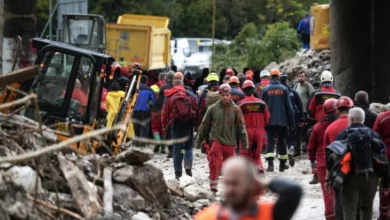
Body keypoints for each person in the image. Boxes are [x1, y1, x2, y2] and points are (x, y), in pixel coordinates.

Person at [194, 157, 303, 220]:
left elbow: (293, 191)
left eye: (236, 184)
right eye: (227, 183)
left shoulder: (269, 214)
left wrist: (264, 182)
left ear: (252, 184)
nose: (230, 189)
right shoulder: (208, 216)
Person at [332, 107, 389, 220]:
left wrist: (330, 180)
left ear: (351, 119)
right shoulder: (374, 135)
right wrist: (386, 182)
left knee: (349, 209)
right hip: (370, 177)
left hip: (349, 177)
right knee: (367, 208)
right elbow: (383, 160)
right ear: (362, 119)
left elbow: (334, 159)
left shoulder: (343, 134)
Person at [195, 84, 248, 193]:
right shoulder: (212, 109)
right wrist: (198, 141)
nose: (225, 97)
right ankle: (213, 187)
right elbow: (204, 125)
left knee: (230, 168)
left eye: (227, 95)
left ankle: (231, 190)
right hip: (217, 140)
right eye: (223, 95)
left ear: (230, 96)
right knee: (214, 164)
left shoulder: (236, 109)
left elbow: (241, 127)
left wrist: (245, 142)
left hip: (230, 142)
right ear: (219, 95)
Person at [161, 72, 197, 179]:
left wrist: (164, 125)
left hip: (175, 125)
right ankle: (188, 166)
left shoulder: (169, 95)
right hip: (188, 124)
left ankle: (178, 173)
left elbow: (164, 112)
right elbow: (196, 106)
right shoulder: (189, 93)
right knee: (188, 147)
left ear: (173, 83)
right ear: (182, 82)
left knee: (177, 149)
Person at [323, 96, 354, 220]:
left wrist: (327, 178)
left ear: (337, 111)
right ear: (351, 109)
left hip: (338, 172)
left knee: (339, 204)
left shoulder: (330, 129)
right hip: (356, 170)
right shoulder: (358, 126)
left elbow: (328, 157)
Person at [307, 98, 338, 219]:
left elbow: (311, 147)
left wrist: (311, 160)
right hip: (340, 162)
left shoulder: (318, 127)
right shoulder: (342, 124)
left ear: (324, 110)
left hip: (322, 162)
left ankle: (330, 215)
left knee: (327, 191)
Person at [261, 69, 294, 172]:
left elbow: (262, 105)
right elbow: (289, 107)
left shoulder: (266, 89)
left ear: (271, 77)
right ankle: (282, 165)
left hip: (269, 121)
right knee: (282, 142)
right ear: (278, 77)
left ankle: (270, 165)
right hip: (282, 121)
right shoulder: (284, 89)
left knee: (270, 141)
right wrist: (291, 122)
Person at [238, 80, 270, 174]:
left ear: (243, 91)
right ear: (253, 90)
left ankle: (246, 175)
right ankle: (259, 170)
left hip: (246, 132)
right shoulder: (262, 103)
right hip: (259, 132)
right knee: (256, 155)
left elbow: (237, 121)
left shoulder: (241, 104)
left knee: (244, 154)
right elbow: (267, 120)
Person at [280, 74, 305, 161]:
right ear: (287, 81)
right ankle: (292, 150)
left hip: (281, 117)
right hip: (293, 116)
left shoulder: (278, 92)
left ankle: (281, 153)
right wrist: (301, 118)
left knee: (282, 135)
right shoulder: (293, 92)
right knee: (293, 135)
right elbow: (300, 106)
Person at [196, 72, 220, 155]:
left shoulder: (205, 93)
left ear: (208, 82)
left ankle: (207, 146)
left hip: (208, 116)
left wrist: (198, 123)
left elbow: (200, 108)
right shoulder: (222, 92)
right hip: (220, 117)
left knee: (206, 131)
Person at [373, 108, 390, 220]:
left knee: (385, 184)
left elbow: (375, 136)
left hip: (386, 154)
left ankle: (384, 214)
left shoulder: (382, 117)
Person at [293, 70, 315, 153]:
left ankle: (306, 146)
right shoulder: (295, 86)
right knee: (297, 130)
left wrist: (310, 112)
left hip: (305, 112)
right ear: (297, 77)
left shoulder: (308, 86)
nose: (301, 78)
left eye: (302, 76)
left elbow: (312, 99)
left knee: (305, 129)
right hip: (297, 112)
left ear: (305, 77)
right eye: (299, 76)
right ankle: (297, 148)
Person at [132, 75, 155, 141]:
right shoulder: (149, 90)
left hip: (134, 111)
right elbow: (153, 101)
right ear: (146, 81)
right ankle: (142, 144)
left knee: (135, 128)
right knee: (144, 128)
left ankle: (135, 143)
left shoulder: (135, 89)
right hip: (145, 112)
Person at [151, 72, 167, 154]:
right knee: (163, 129)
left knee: (155, 128)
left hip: (155, 111)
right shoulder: (168, 87)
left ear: (158, 78)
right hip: (165, 111)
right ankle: (163, 149)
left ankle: (157, 141)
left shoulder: (152, 87)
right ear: (165, 79)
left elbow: (150, 100)